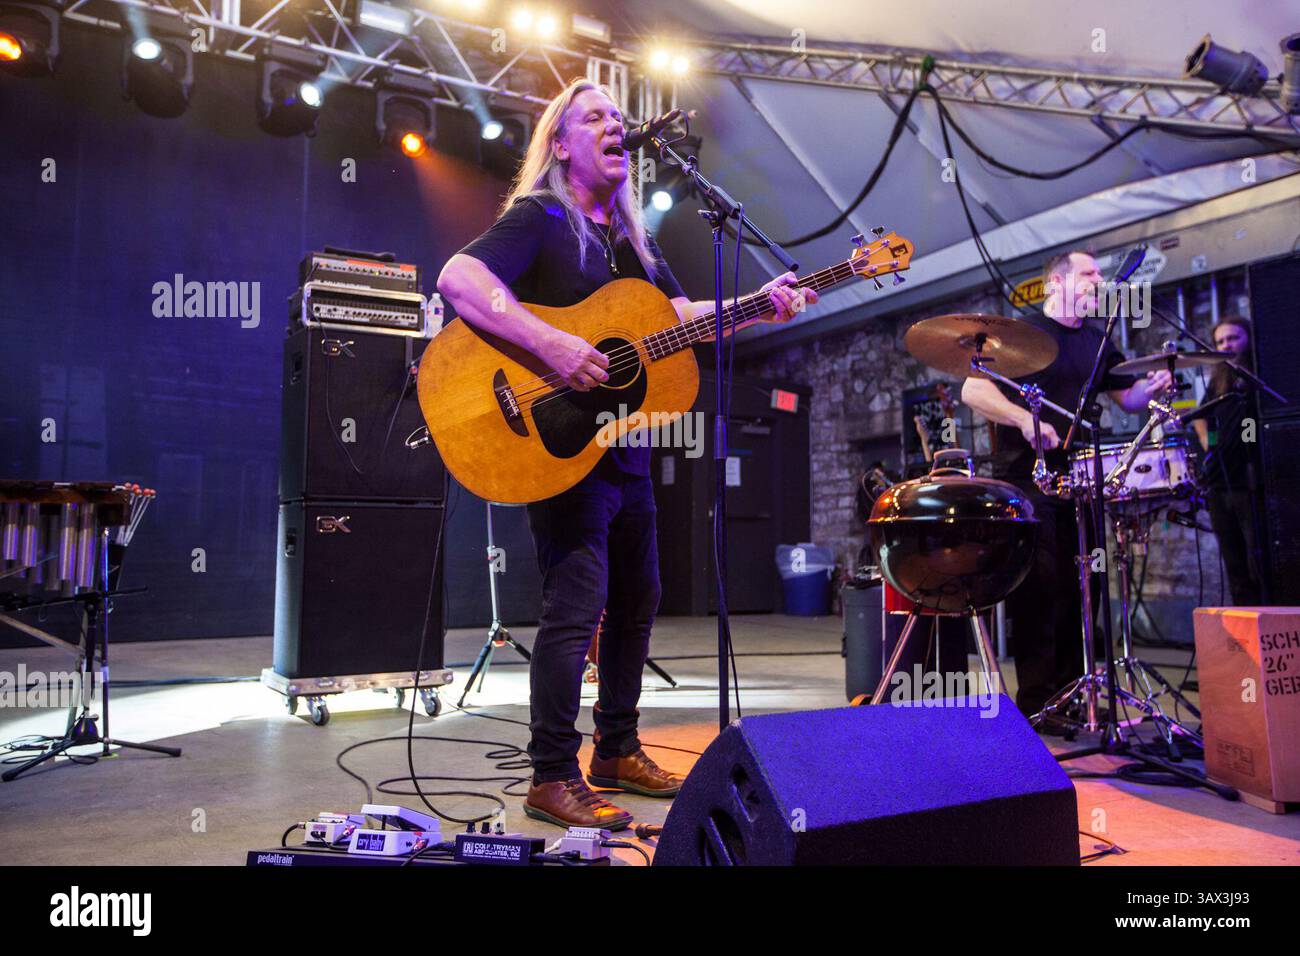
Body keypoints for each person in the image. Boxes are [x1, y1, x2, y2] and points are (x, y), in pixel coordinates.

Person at [437, 78, 816, 829]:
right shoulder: (542, 217)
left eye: (619, 115)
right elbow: (459, 277)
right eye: (595, 118)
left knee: (639, 601)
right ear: (562, 143)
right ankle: (551, 773)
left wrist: (758, 304)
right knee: (574, 608)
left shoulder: (629, 242)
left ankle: (614, 748)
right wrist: (551, 342)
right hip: (556, 441)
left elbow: (679, 320)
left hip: (621, 449)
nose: (616, 125)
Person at [960, 251, 1171, 720]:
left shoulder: (1098, 343)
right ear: (1057, 282)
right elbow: (973, 390)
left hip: (1082, 480)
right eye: (1089, 273)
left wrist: (1150, 389)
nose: (1098, 280)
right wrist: (1023, 420)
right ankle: (1038, 701)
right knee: (1041, 588)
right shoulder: (1023, 335)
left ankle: (1078, 692)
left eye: (1099, 274)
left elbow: (1128, 399)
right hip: (1029, 478)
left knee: (1087, 585)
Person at [1192, 317, 1263, 605]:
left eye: (1232, 338)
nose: (1226, 345)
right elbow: (1200, 416)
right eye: (1220, 341)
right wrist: (1210, 443)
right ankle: (1246, 623)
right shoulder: (1218, 379)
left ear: (1247, 337)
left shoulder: (1257, 374)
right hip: (1220, 482)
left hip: (1252, 480)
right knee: (1233, 560)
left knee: (1258, 557)